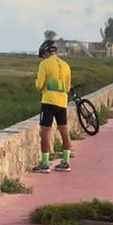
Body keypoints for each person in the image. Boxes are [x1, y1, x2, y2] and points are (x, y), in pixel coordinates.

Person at [34, 38, 72, 172]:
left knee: (45, 131)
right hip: (62, 102)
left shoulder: (44, 64)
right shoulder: (66, 65)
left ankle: (44, 164)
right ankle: (66, 161)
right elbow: (67, 88)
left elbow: (39, 86)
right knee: (64, 131)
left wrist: (36, 83)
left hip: (48, 101)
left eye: (43, 54)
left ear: (46, 52)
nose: (43, 57)